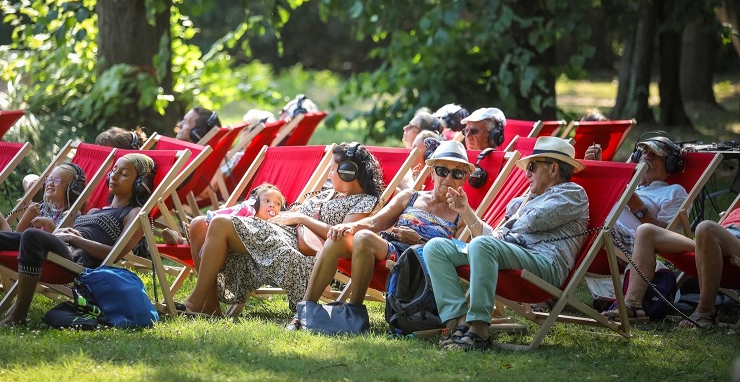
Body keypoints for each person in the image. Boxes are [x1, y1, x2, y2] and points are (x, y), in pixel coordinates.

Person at [0, 153, 156, 327]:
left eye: (124, 174)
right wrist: (59, 232)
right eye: (115, 170)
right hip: (58, 244)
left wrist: (74, 238)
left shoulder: (134, 213)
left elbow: (115, 254)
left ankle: (17, 317)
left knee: (32, 235)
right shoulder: (95, 210)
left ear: (140, 184)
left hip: (76, 260)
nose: (114, 176)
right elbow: (62, 235)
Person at [423, 136, 589, 351]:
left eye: (532, 166)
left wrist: (520, 207)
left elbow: (534, 221)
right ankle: (459, 323)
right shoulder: (524, 200)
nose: (526, 173)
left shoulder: (573, 194)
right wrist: (466, 211)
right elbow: (493, 237)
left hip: (544, 265)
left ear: (554, 168)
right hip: (511, 256)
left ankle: (479, 329)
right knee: (436, 247)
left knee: (482, 245)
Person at [181, 142, 384, 317]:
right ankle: (210, 306)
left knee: (218, 224)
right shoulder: (329, 193)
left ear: (347, 172)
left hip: (295, 244)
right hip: (280, 230)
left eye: (333, 169)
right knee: (199, 224)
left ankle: (195, 302)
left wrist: (301, 217)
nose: (330, 174)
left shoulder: (365, 201)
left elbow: (342, 235)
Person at [292, 140, 470, 330]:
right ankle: (303, 312)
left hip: (420, 264)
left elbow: (456, 256)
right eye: (442, 170)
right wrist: (349, 228)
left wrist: (420, 241)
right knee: (337, 238)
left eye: (457, 173)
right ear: (432, 172)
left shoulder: (463, 214)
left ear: (465, 178)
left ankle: (354, 309)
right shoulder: (411, 196)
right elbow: (375, 222)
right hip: (390, 249)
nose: (448, 178)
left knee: (363, 238)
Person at [602, 206, 740, 327]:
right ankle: (632, 305)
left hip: (730, 241)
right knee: (646, 231)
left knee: (706, 227)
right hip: (713, 240)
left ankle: (705, 312)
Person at [585, 135, 686, 255]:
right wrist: (594, 170)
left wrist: (638, 208)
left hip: (628, 244)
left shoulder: (674, 192)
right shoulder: (630, 183)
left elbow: (669, 239)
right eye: (644, 152)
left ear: (670, 164)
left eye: (655, 154)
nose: (647, 156)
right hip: (596, 230)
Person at [161, 183, 286, 269]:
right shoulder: (249, 212)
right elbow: (233, 220)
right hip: (219, 235)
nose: (272, 205)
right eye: (267, 200)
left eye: (278, 203)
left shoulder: (276, 224)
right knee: (201, 228)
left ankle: (182, 239)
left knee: (200, 238)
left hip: (236, 245)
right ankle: (183, 239)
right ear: (256, 203)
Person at [0, 162, 86, 234]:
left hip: (36, 253)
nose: (50, 183)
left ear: (72, 189)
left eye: (57, 181)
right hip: (20, 243)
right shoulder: (43, 207)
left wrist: (49, 224)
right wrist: (26, 218)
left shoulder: (73, 216)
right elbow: (20, 233)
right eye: (49, 179)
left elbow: (64, 247)